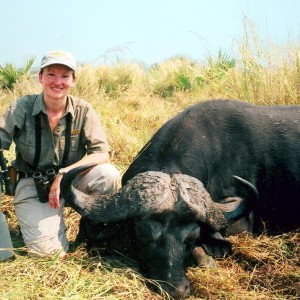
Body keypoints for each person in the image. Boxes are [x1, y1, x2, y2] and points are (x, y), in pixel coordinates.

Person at [0, 50, 120, 257]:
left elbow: (101, 154)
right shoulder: (21, 107)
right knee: (49, 254)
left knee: (108, 175)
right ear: (40, 77)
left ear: (73, 80)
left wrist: (63, 173)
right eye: (51, 74)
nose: (58, 81)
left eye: (65, 76)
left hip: (73, 180)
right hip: (33, 183)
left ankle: (94, 233)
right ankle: (39, 224)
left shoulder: (84, 110)